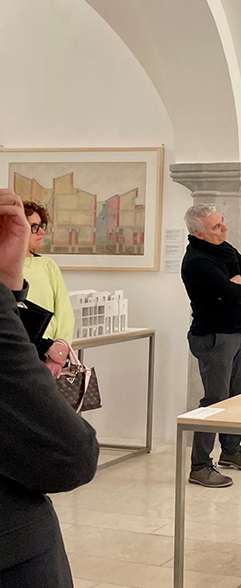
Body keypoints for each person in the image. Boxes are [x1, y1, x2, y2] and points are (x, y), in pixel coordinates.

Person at [0, 188, 99, 587]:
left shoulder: (47, 266)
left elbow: (62, 308)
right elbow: (71, 455)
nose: (36, 233)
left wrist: (57, 345)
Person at [181, 204, 241, 488]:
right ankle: (200, 466)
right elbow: (234, 295)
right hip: (213, 337)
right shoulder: (198, 261)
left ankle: (231, 451)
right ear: (199, 234)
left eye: (222, 222)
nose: (224, 228)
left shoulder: (225, 249)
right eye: (216, 226)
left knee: (236, 396)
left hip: (235, 333)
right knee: (215, 401)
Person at [22, 201, 74, 343]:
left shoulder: (48, 265)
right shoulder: (6, 269)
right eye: (34, 227)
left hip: (52, 349)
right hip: (18, 349)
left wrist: (61, 346)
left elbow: (64, 312)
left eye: (41, 226)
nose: (41, 232)